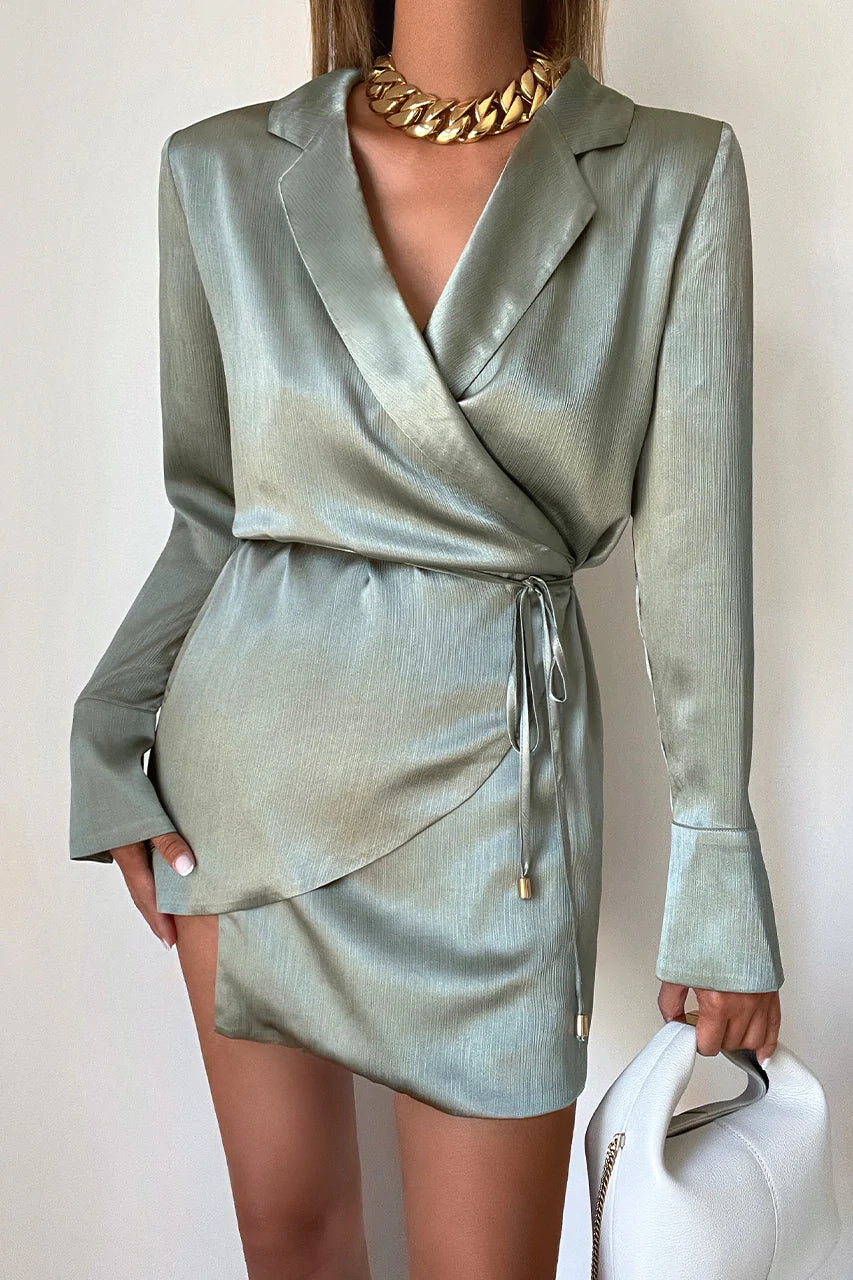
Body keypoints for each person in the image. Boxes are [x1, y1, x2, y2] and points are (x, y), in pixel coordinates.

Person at [68, 2, 785, 1276]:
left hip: (500, 801)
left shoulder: (670, 175)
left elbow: (696, 559)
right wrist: (108, 728)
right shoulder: (221, 171)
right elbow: (210, 516)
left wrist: (717, 865)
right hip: (246, 780)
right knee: (294, 1243)